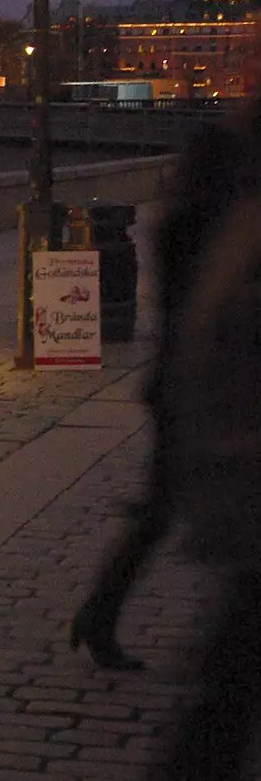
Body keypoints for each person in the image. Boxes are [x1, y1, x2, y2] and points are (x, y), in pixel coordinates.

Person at [70, 97, 261, 673]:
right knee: (164, 508)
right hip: (204, 382)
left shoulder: (209, 183)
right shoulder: (228, 192)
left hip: (194, 378)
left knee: (160, 505)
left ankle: (100, 613)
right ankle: (101, 614)